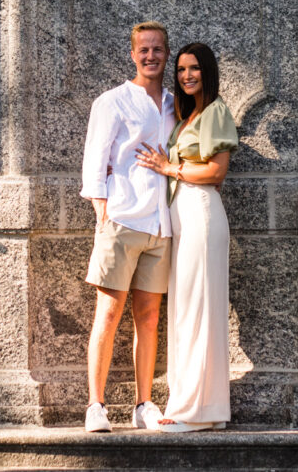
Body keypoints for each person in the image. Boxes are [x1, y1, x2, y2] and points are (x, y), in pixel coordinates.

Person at [79, 21, 176, 433]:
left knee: (150, 316)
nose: (150, 56)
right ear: (133, 54)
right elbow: (94, 160)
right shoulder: (113, 101)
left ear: (166, 54)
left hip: (161, 224)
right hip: (121, 219)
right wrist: (104, 213)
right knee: (109, 311)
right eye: (144, 50)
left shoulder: (176, 104)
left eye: (157, 49)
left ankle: (143, 405)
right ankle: (96, 405)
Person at [136, 42, 238, 432]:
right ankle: (203, 409)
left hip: (201, 213)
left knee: (199, 309)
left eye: (193, 68)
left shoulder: (214, 111)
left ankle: (193, 412)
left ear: (207, 71)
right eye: (180, 70)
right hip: (185, 218)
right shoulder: (187, 116)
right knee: (188, 310)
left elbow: (215, 172)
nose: (185, 75)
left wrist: (169, 168)